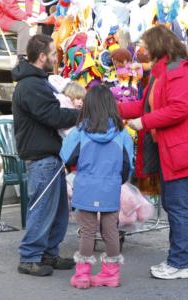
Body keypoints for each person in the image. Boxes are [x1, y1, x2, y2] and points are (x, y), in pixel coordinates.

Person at [117, 24, 188, 280]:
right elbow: (143, 105)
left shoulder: (178, 71)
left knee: (178, 208)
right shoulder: (160, 73)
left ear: (158, 45)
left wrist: (144, 123)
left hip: (179, 153)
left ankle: (180, 263)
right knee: (175, 206)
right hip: (168, 152)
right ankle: (178, 259)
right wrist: (114, 108)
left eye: (145, 45)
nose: (141, 49)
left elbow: (180, 108)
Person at [11, 34, 79, 276]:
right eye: (52, 54)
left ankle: (49, 253)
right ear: (42, 57)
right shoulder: (31, 85)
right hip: (42, 157)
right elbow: (52, 116)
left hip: (50, 157)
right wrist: (82, 114)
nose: (55, 58)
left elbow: (53, 113)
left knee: (59, 209)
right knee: (41, 208)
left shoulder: (38, 82)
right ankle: (29, 257)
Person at [60, 85, 134, 288]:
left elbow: (66, 156)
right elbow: (128, 165)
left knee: (87, 231)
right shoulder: (122, 134)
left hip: (85, 187)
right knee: (110, 230)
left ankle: (83, 274)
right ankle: (111, 273)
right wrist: (116, 180)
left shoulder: (80, 132)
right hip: (110, 187)